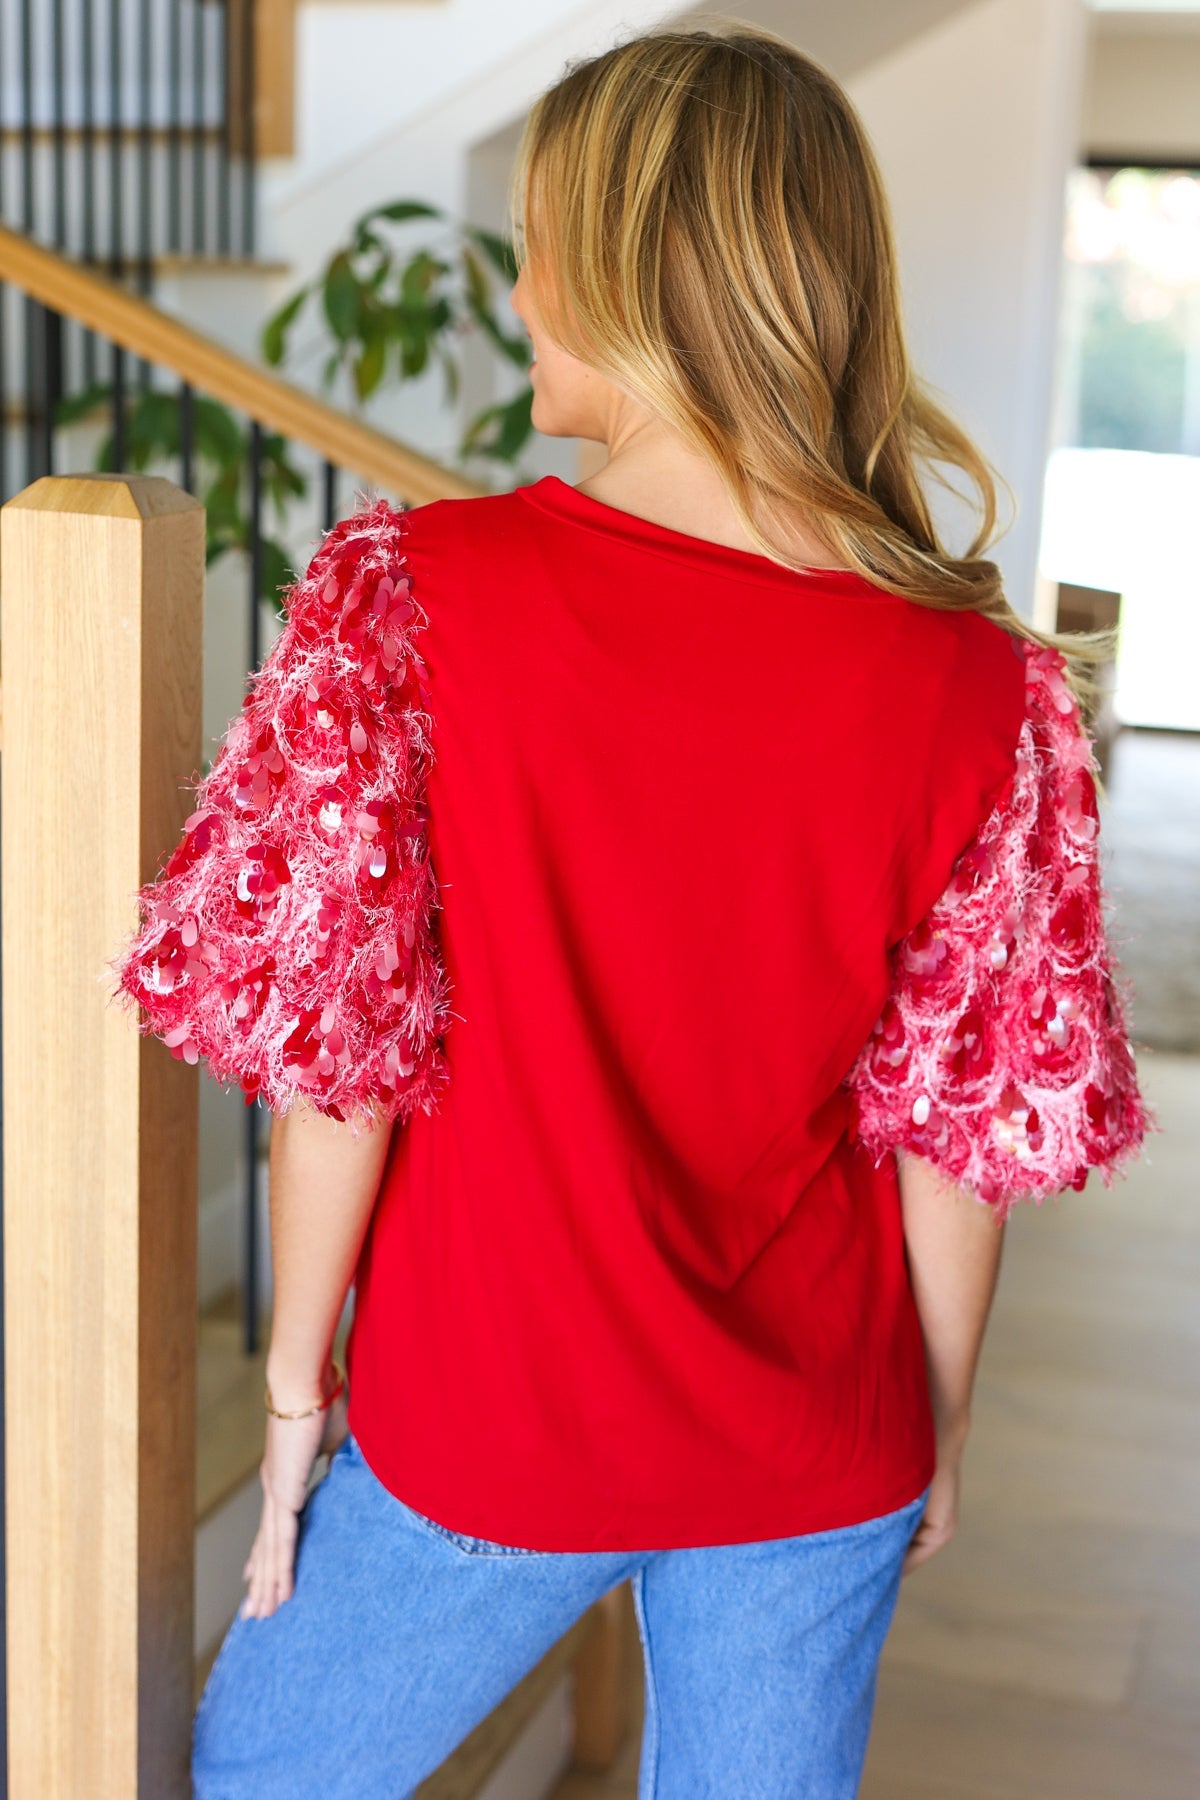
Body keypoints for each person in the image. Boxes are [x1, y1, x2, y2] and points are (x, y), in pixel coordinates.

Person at [111, 24, 1149, 1800]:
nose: (515, 291)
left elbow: (335, 1072)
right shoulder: (991, 694)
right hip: (819, 1445)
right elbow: (967, 1142)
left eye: (534, 245)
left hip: (486, 1438)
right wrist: (940, 1420)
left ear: (626, 280)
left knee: (257, 1782)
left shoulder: (407, 603)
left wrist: (294, 1401)